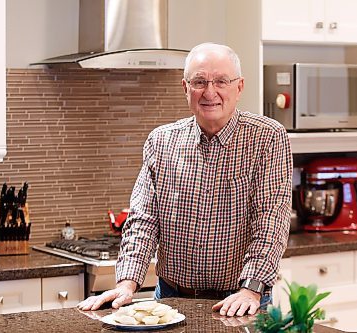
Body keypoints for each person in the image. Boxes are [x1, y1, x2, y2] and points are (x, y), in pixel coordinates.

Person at [77, 42, 292, 317]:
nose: (209, 92)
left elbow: (270, 222)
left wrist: (251, 289)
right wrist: (126, 283)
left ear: (239, 87)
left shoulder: (267, 138)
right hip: (171, 298)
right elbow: (143, 219)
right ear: (185, 88)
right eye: (199, 81)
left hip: (240, 301)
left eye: (221, 81)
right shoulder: (161, 141)